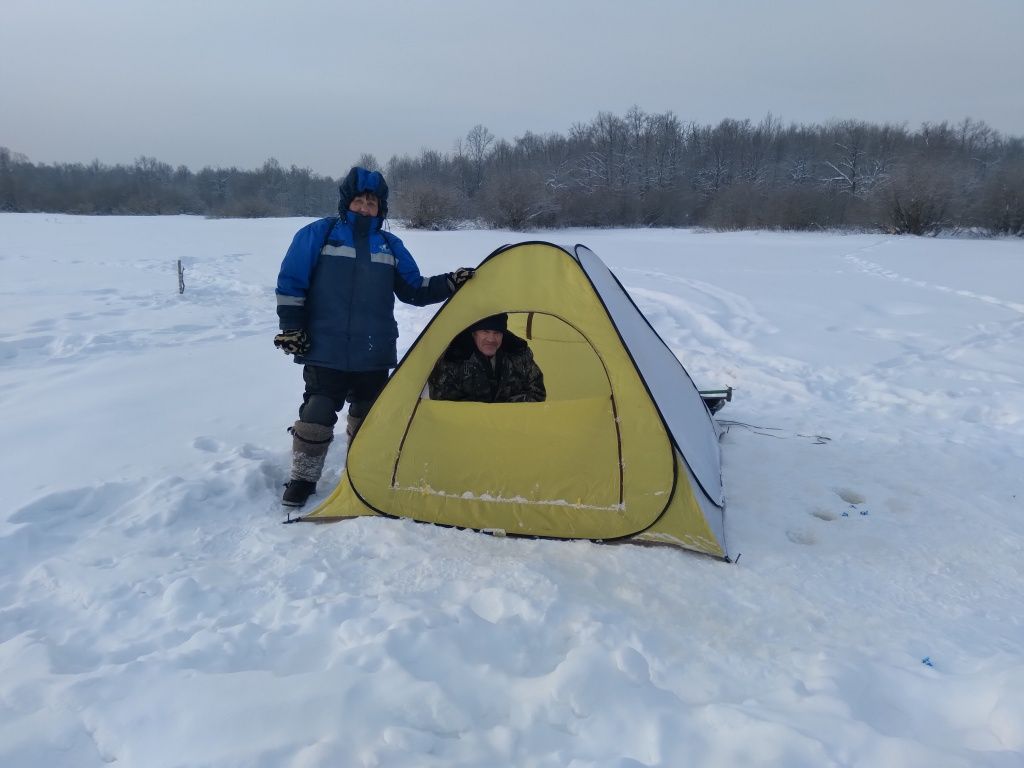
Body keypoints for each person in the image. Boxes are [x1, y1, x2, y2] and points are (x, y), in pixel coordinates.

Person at [274, 166, 475, 507]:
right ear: (346, 203)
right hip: (326, 346)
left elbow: (413, 288)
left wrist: (450, 282)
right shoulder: (319, 234)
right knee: (317, 411)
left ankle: (363, 471)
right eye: (359, 201)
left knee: (368, 414)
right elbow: (292, 282)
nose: (366, 208)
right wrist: (291, 327)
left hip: (374, 348)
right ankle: (303, 479)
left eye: (372, 203)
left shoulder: (390, 245)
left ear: (381, 209)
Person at [428, 313, 546, 403]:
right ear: (474, 333)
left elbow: (537, 392)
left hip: (512, 428)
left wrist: (503, 415)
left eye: (497, 333)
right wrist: (486, 417)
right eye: (485, 331)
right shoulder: (453, 358)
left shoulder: (518, 353)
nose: (491, 339)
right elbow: (441, 401)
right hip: (467, 431)